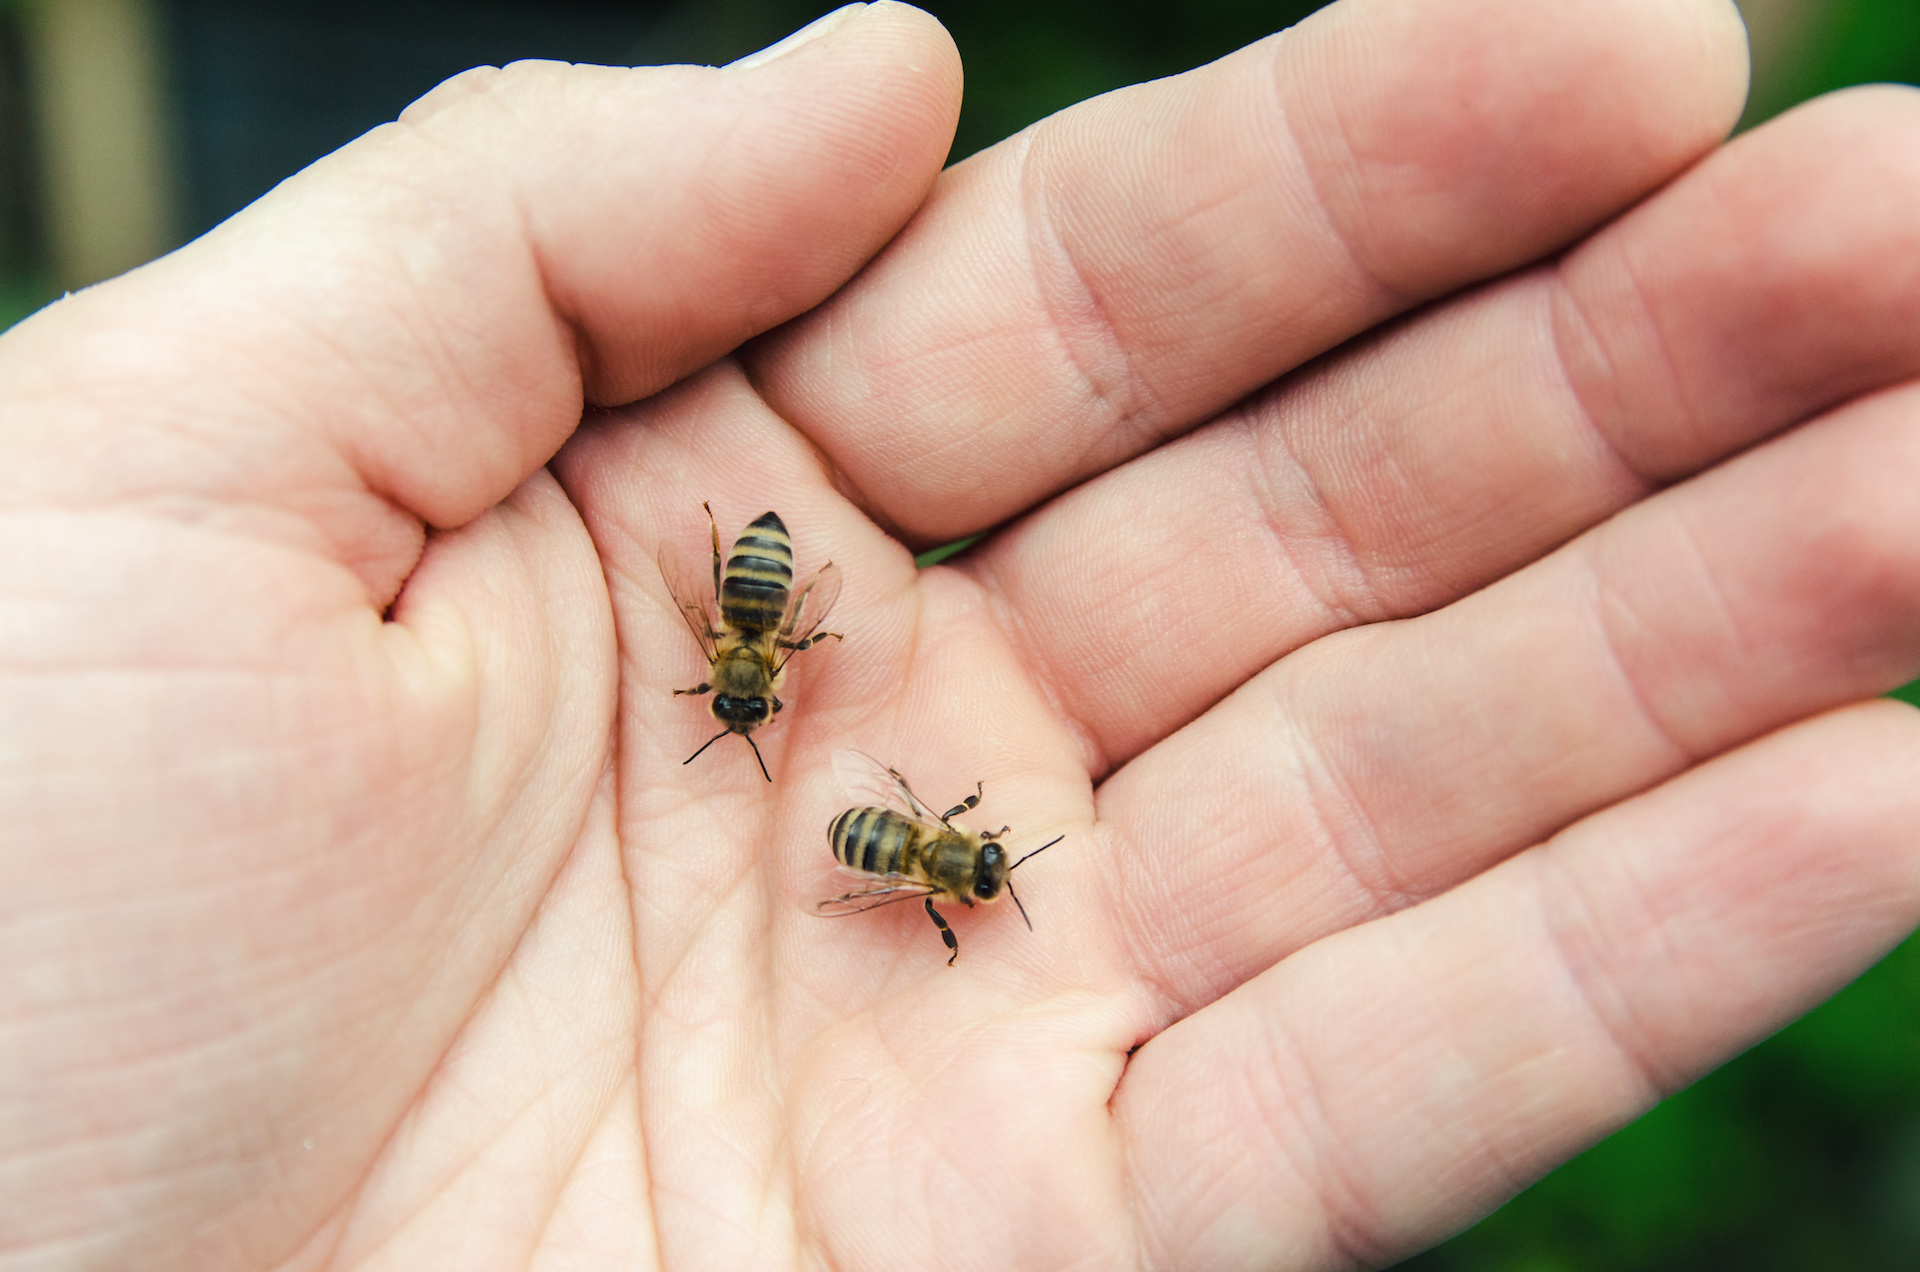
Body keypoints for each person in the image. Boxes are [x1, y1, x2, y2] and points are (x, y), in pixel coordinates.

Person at [4, 0, 1918, 1266]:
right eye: (978, 869)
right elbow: (841, 754)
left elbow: (841, 751)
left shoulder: (841, 775)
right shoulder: (844, 780)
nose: (972, 870)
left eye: (968, 870)